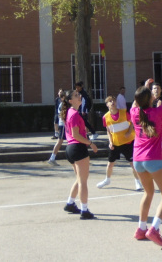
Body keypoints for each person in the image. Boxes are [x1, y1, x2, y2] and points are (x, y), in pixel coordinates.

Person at [131, 71, 162, 247]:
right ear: (151, 98)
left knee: (148, 193)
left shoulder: (134, 112)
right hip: (153, 159)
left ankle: (141, 229)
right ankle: (154, 228)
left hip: (137, 160)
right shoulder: (157, 112)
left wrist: (145, 87)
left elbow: (136, 102)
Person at [61, 89, 99, 219]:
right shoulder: (74, 114)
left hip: (71, 149)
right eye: (76, 95)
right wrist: (90, 143)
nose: (80, 96)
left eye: (79, 94)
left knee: (80, 179)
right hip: (77, 148)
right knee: (83, 181)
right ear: (70, 100)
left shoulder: (70, 113)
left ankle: (70, 203)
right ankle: (84, 210)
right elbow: (76, 135)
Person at [97, 96, 142, 191]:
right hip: (115, 143)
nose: (112, 102)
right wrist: (110, 142)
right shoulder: (105, 117)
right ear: (107, 104)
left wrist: (129, 132)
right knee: (110, 164)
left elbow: (132, 122)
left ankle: (137, 181)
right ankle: (107, 180)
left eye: (114, 100)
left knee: (133, 163)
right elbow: (108, 131)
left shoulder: (124, 112)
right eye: (110, 101)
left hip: (128, 142)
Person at [47, 90, 67, 166]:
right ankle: (52, 158)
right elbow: (63, 116)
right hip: (64, 125)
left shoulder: (63, 104)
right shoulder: (63, 105)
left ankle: (52, 158)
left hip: (63, 125)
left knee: (68, 141)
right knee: (60, 141)